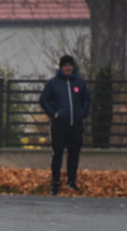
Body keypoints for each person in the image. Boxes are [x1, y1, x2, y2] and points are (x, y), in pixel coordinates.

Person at [39, 55, 91, 195]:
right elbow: (44, 99)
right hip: (59, 124)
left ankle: (71, 181)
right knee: (57, 154)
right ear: (61, 68)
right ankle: (55, 182)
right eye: (65, 65)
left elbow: (86, 98)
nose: (68, 68)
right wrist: (53, 113)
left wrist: (82, 112)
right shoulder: (54, 83)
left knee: (74, 154)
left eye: (70, 65)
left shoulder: (80, 83)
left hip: (76, 124)